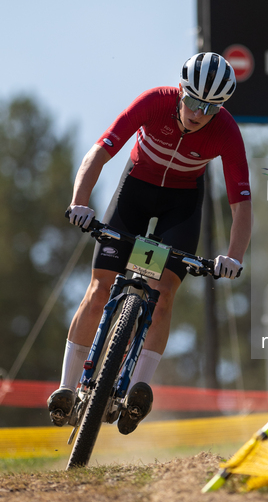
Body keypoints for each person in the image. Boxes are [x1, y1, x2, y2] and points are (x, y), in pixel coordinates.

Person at [47, 52, 252, 434]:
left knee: (163, 293)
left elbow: (242, 203)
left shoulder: (226, 130)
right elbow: (100, 151)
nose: (197, 113)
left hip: (181, 205)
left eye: (209, 108)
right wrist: (80, 201)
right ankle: (65, 389)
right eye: (192, 101)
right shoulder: (154, 101)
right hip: (135, 191)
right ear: (180, 91)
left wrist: (234, 257)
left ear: (220, 108)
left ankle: (137, 388)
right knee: (99, 287)